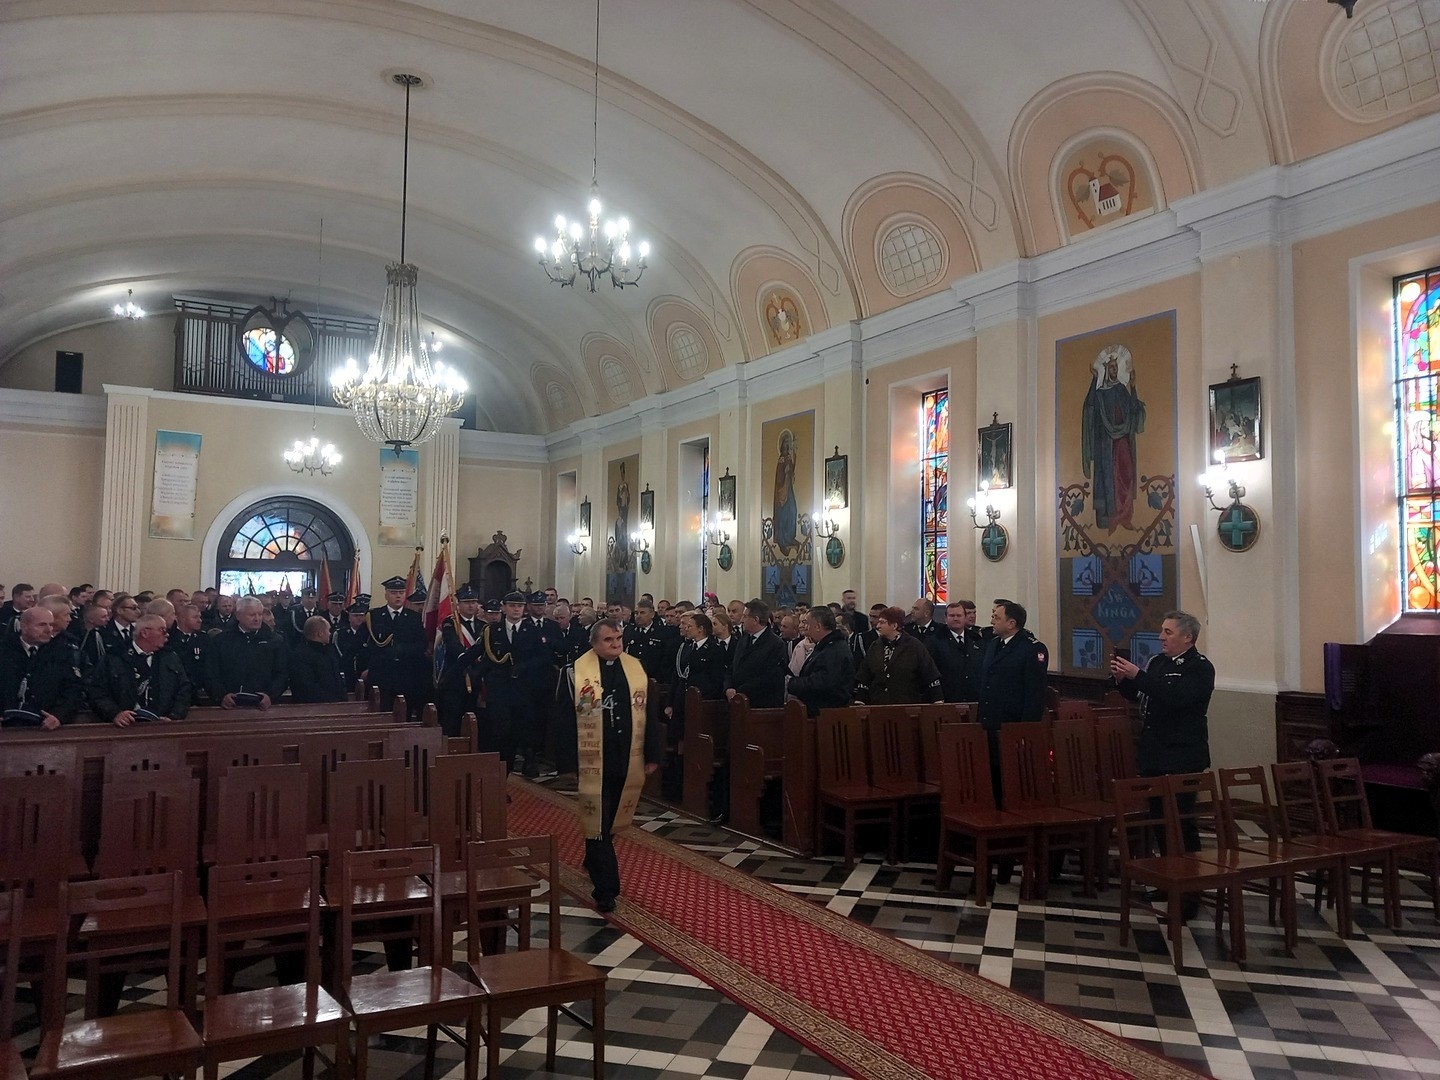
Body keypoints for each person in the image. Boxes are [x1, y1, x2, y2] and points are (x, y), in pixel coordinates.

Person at [568, 618, 663, 913]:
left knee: (609, 822)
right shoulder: (576, 672)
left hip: (627, 757)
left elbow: (650, 715)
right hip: (593, 758)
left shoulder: (634, 669)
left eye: (619, 638)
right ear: (594, 644)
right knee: (598, 819)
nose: (616, 644)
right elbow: (563, 718)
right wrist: (568, 762)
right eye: (608, 640)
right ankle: (606, 889)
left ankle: (594, 857)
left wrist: (652, 755)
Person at [1110, 610, 1214, 856]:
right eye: (1162, 631)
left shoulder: (1199, 667)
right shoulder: (1157, 662)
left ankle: (1190, 872)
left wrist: (1138, 676)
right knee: (1159, 818)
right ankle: (1167, 870)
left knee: (1181, 818)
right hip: (1155, 753)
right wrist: (1123, 680)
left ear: (1187, 637)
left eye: (1168, 632)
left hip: (1182, 754)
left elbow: (1176, 698)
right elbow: (1140, 695)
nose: (1161, 637)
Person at [975, 599, 1049, 805]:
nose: (992, 620)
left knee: (1011, 779)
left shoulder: (1031, 649)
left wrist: (1025, 731)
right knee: (991, 776)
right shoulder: (994, 644)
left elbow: (1035, 695)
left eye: (997, 617)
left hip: (1012, 724)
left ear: (1011, 623)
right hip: (989, 722)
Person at [1081, 343, 1146, 533]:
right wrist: (1094, 379)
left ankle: (1125, 516)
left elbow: (1133, 409)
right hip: (1106, 444)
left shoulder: (1121, 390)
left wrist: (1133, 387)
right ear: (1106, 370)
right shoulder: (1100, 394)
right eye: (1111, 368)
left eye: (1116, 367)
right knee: (1109, 479)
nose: (1114, 370)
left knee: (1126, 474)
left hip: (1122, 440)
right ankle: (1111, 519)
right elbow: (1090, 407)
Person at [86, 614, 192, 725]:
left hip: (162, 724)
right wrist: (115, 713)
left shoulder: (170, 657)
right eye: (162, 630)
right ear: (145, 633)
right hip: (124, 726)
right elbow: (97, 691)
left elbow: (184, 689)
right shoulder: (115, 656)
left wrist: (174, 716)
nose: (167, 634)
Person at [0, 607, 84, 728]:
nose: (49, 630)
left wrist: (59, 715)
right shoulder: (4, 650)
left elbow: (73, 689)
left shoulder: (61, 652)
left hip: (45, 724)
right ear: (24, 627)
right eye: (42, 625)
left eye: (51, 625)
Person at [205, 595, 289, 709]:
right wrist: (221, 695)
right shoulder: (221, 641)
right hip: (230, 705)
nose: (257, 619)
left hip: (263, 705)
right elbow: (211, 673)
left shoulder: (274, 641)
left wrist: (270, 695)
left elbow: (282, 673)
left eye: (260, 614)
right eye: (252, 615)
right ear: (238, 615)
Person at [364, 577, 429, 720]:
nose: (398, 596)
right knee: (382, 713)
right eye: (393, 592)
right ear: (386, 594)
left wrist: (402, 650)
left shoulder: (414, 617)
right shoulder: (374, 616)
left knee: (405, 714)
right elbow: (367, 645)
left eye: (401, 592)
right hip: (382, 674)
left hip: (406, 674)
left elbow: (422, 644)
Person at [855, 606, 943, 705]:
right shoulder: (875, 647)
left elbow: (931, 675)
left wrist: (938, 700)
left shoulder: (914, 646)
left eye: (882, 622)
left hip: (907, 705)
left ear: (894, 625)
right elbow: (865, 676)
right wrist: (860, 700)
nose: (878, 626)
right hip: (879, 704)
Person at [666, 611, 727, 744]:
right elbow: (677, 675)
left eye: (690, 626)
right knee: (679, 737)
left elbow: (716, 679)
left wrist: (701, 697)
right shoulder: (687, 647)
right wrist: (670, 702)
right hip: (682, 698)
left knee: (694, 740)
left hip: (700, 700)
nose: (686, 628)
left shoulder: (714, 649)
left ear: (701, 629)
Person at [785, 606, 855, 717]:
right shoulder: (825, 646)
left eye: (807, 623)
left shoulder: (833, 650)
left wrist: (792, 683)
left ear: (818, 626)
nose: (805, 628)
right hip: (819, 713)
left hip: (827, 716)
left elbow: (821, 683)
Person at [437, 585, 486, 738]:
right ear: (458, 604)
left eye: (474, 602)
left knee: (474, 721)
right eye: (467, 602)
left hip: (476, 678)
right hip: (456, 678)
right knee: (452, 720)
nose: (471, 605)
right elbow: (453, 646)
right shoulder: (451, 623)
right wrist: (467, 657)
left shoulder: (483, 626)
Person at [724, 599, 787, 708]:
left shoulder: (775, 644)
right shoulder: (743, 640)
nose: (742, 620)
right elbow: (733, 666)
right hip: (738, 702)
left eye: (745, 616)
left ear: (755, 620)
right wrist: (728, 687)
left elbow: (770, 677)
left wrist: (739, 691)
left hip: (761, 704)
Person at [927, 600, 984, 704]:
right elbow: (931, 672)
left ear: (964, 617)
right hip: (948, 697)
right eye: (952, 616)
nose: (956, 618)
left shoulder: (976, 639)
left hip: (974, 698)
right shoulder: (935, 641)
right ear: (945, 618)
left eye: (959, 615)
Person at [288, 616, 348, 704]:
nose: (330, 634)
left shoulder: (328, 651)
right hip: (313, 706)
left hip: (336, 704)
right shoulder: (300, 656)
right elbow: (306, 687)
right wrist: (331, 701)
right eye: (328, 630)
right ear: (320, 633)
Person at [166, 602, 210, 704]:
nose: (200, 620)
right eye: (195, 617)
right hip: (175, 690)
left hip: (196, 690)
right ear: (182, 618)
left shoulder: (203, 639)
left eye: (199, 617)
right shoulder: (170, 638)